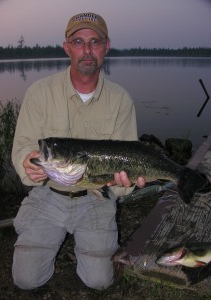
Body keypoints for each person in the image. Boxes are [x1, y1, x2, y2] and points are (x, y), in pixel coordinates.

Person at [11, 12, 145, 291]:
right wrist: (26, 160)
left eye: (95, 42)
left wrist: (125, 185)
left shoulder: (120, 100)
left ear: (106, 47)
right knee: (25, 280)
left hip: (96, 199)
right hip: (48, 194)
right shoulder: (39, 92)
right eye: (79, 41)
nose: (87, 50)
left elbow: (130, 159)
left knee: (99, 281)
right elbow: (24, 143)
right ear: (67, 47)